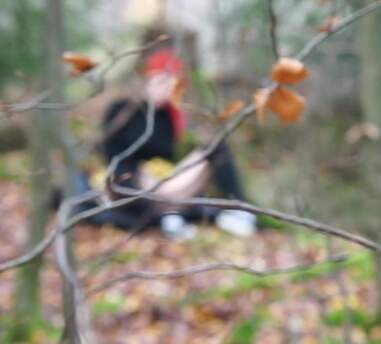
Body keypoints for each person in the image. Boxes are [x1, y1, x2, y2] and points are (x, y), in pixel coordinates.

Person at [73, 48, 256, 238]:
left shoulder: (168, 118)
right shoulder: (121, 110)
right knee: (129, 181)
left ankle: (238, 209)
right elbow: (112, 155)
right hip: (130, 186)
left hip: (165, 184)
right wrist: (139, 174)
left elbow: (168, 158)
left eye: (172, 83)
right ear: (147, 80)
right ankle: (166, 218)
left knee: (216, 148)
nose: (167, 88)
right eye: (161, 81)